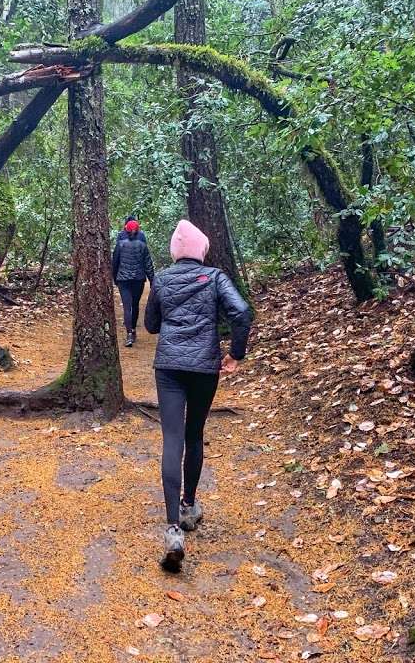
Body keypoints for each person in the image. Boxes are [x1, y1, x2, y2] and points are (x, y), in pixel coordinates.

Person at [144, 219, 252, 571]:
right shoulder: (216, 277)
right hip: (205, 366)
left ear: (175, 251)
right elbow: (241, 312)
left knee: (171, 439)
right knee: (195, 434)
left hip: (170, 367)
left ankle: (173, 528)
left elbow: (151, 325)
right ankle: (190, 505)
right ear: (201, 250)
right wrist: (235, 353)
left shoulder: (160, 279)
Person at [112, 219, 155, 347]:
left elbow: (114, 262)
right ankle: (133, 330)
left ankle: (129, 333)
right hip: (138, 279)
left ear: (126, 230)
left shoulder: (120, 244)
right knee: (135, 305)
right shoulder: (143, 245)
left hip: (123, 280)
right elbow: (148, 265)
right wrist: (152, 281)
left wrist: (115, 277)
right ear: (138, 231)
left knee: (127, 306)